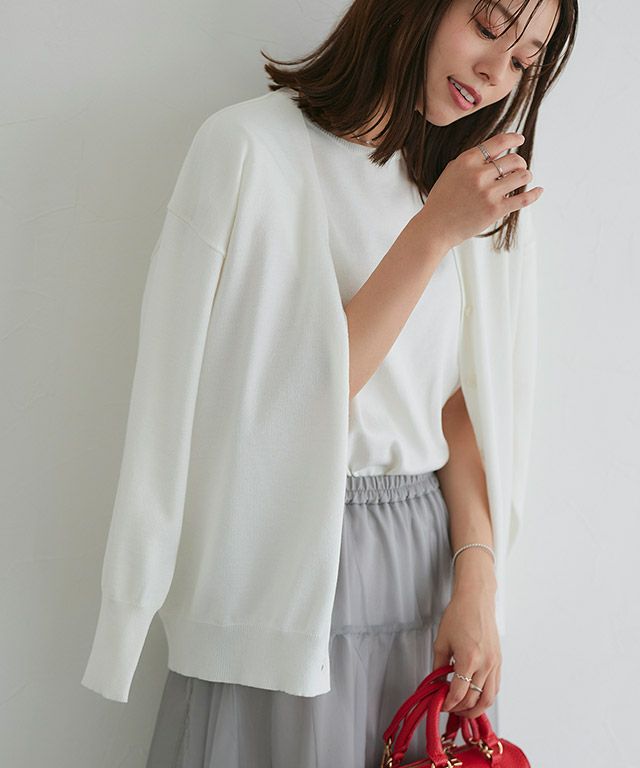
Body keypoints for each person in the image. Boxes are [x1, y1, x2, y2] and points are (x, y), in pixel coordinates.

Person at [81, 0, 578, 765]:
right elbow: (272, 416)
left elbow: (461, 406)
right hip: (278, 570)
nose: (494, 71)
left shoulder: (476, 192)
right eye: (487, 26)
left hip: (426, 571)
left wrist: (478, 579)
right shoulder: (250, 151)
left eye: (523, 60)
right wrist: (433, 231)